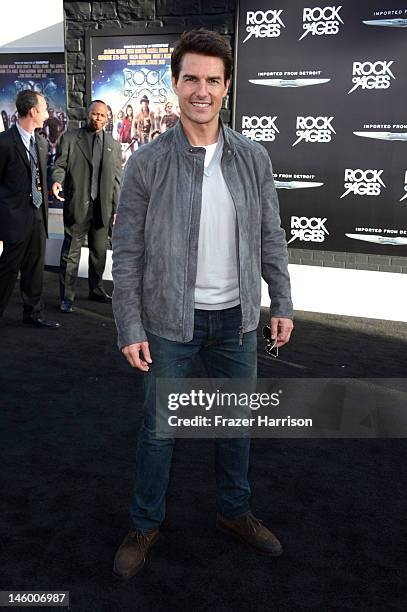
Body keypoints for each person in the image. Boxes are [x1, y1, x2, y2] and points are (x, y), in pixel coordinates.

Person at [112, 29, 293, 579]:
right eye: (191, 78)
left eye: (213, 80)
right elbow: (128, 255)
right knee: (159, 431)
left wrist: (280, 300)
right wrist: (129, 325)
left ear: (227, 87)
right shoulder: (145, 164)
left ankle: (234, 513)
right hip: (170, 324)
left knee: (236, 426)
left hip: (238, 323)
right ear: (175, 84)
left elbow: (270, 235)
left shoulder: (253, 159)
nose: (202, 90)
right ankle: (145, 524)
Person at [51, 100, 122, 312]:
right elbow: (59, 165)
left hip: (102, 210)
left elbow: (117, 180)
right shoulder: (71, 138)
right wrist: (56, 181)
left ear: (107, 119)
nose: (97, 118)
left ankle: (97, 289)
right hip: (77, 206)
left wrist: (117, 209)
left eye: (101, 115)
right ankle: (67, 297)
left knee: (99, 253)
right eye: (94, 114)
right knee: (71, 253)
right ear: (87, 115)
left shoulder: (114, 145)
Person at [0, 90, 59, 328]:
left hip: (37, 214)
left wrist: (53, 182)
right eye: (44, 109)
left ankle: (33, 312)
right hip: (14, 218)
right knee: (7, 270)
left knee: (35, 268)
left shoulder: (41, 142)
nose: (47, 114)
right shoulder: (3, 143)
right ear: (33, 111)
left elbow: (40, 175)